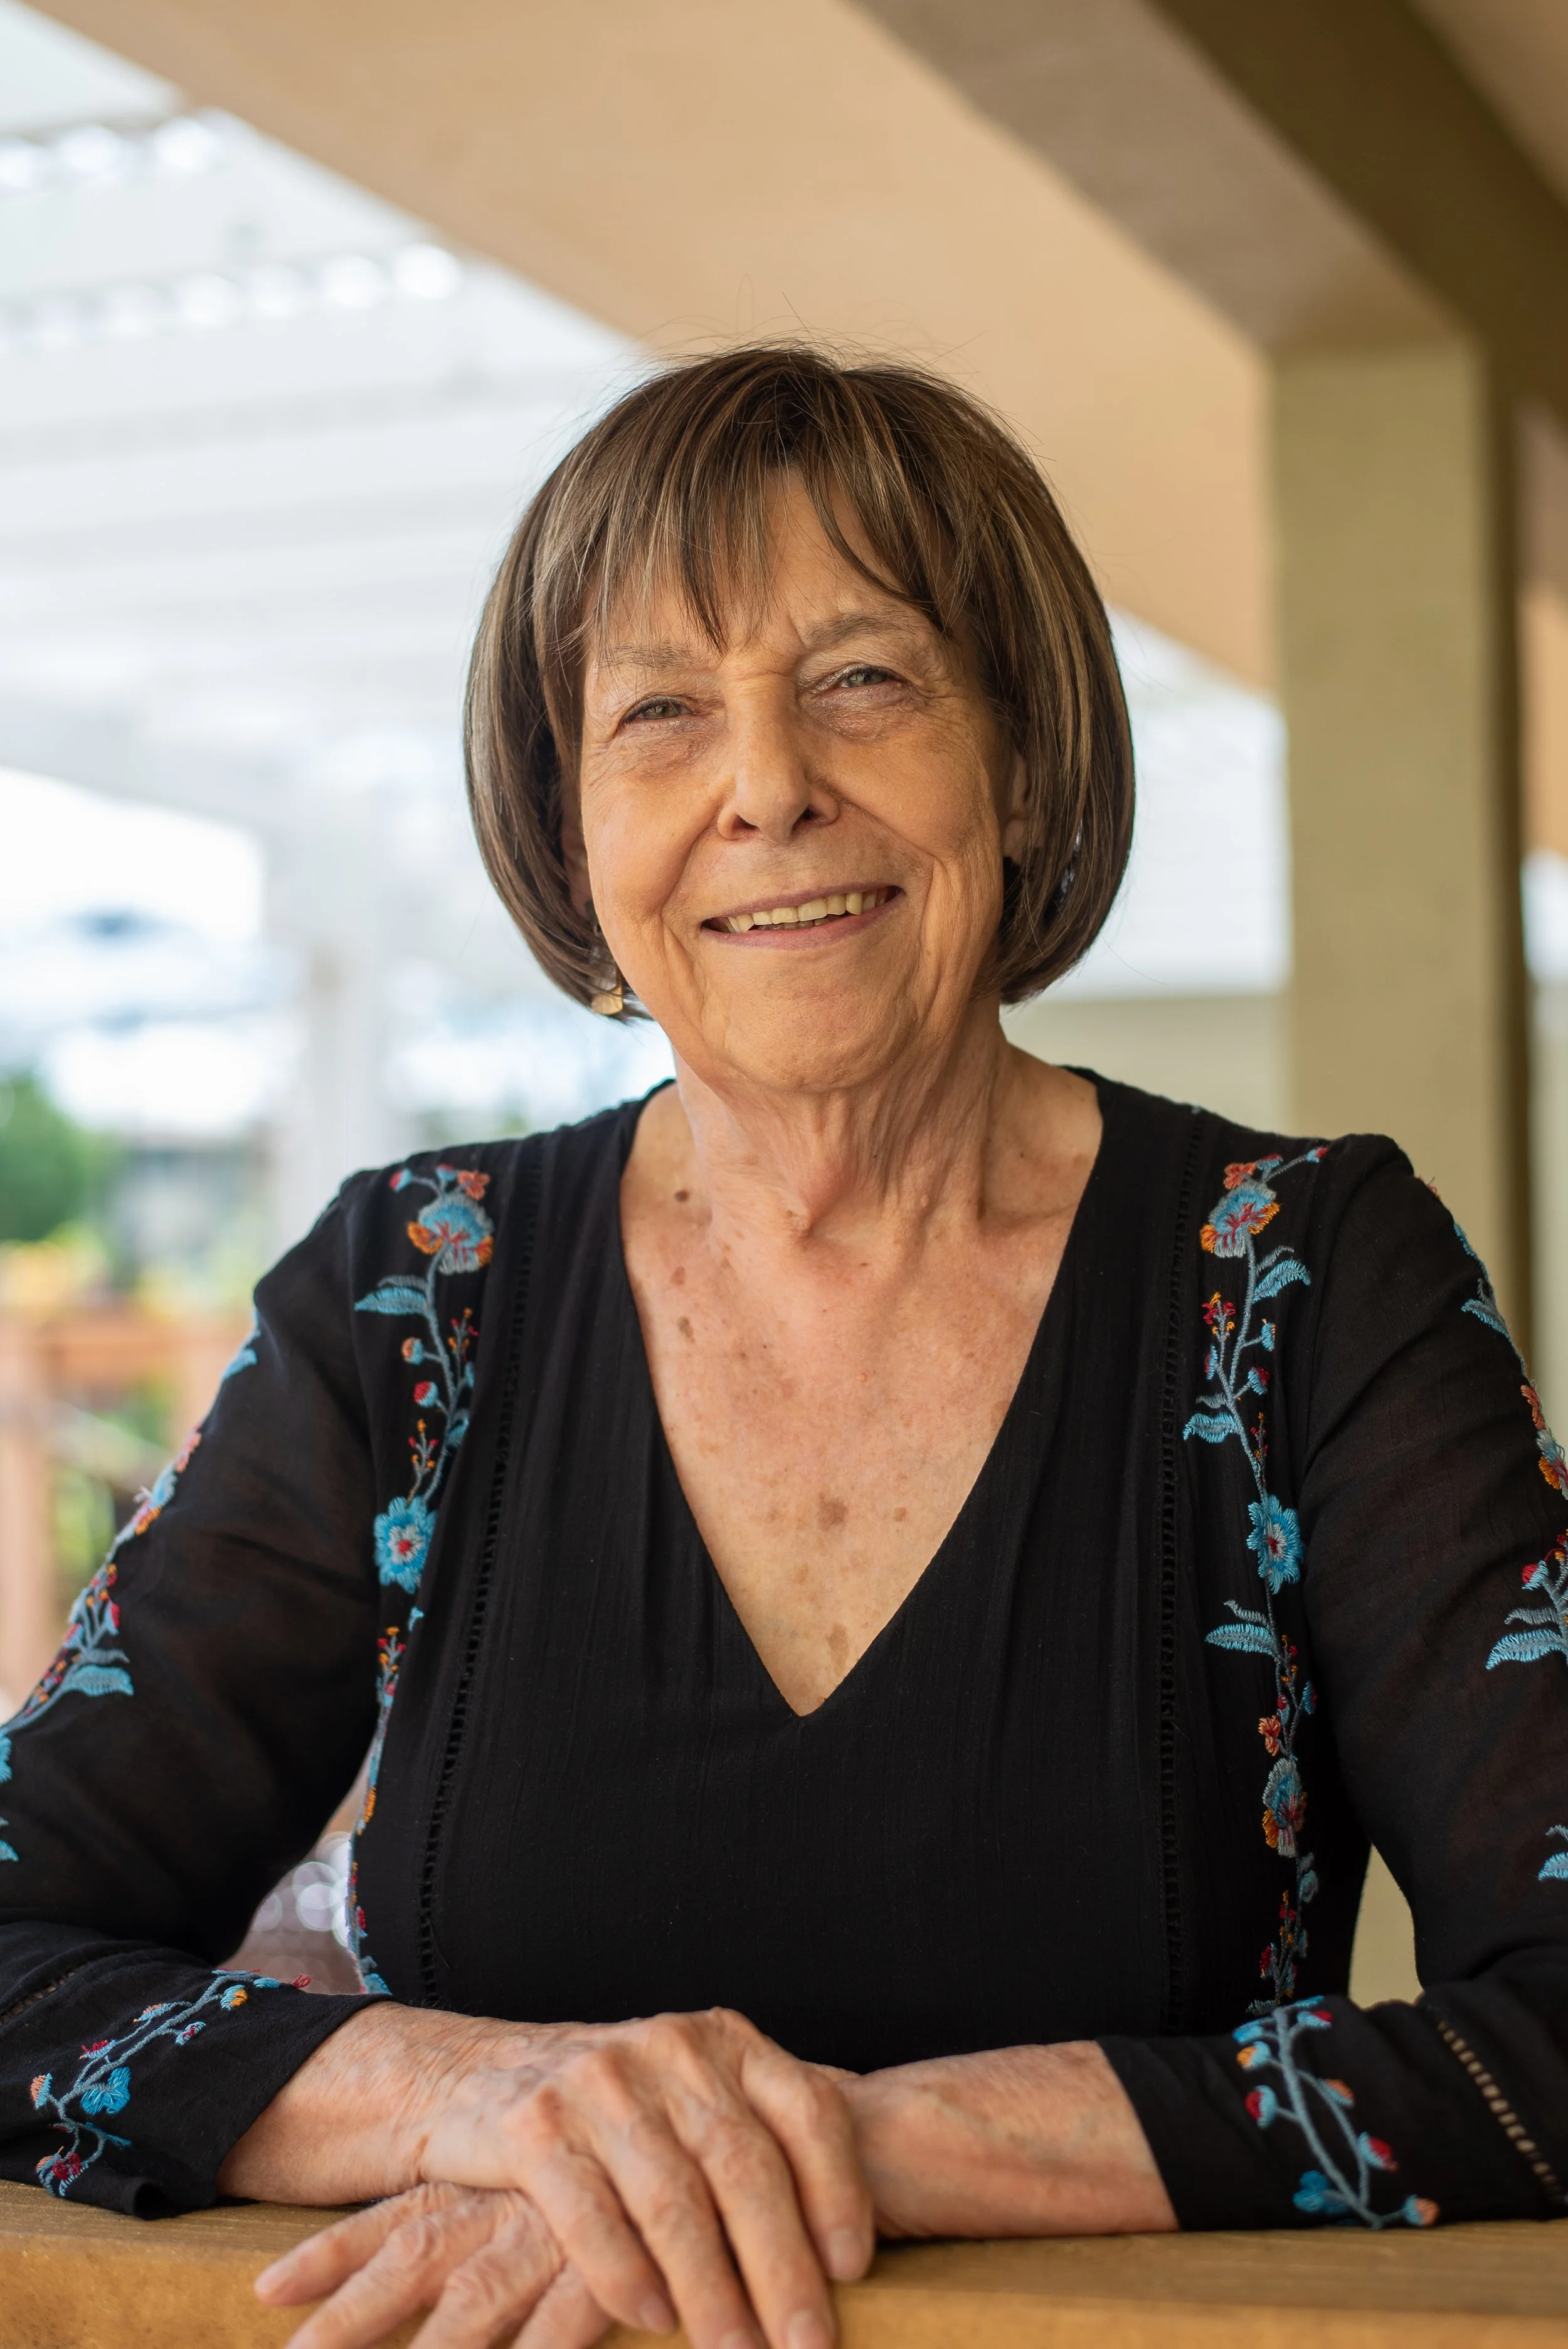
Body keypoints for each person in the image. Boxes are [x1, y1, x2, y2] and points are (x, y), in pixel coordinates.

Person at [2, 346, 1565, 2349]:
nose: (765, 788)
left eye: (864, 679)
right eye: (660, 711)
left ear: (1016, 758)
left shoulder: (1304, 1277)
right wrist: (488, 2096)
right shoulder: (417, 1295)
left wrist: (832, 2144)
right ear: (572, 828)